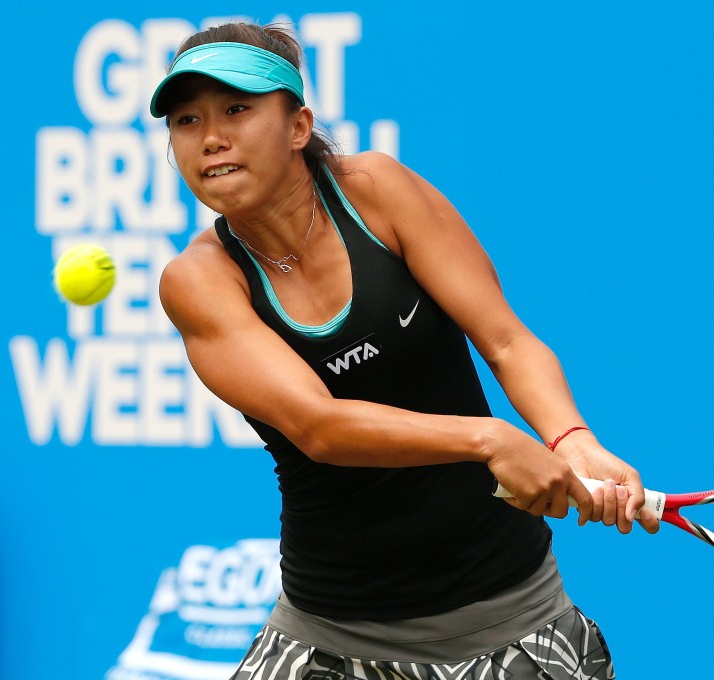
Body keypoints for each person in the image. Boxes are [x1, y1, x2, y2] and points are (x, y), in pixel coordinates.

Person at [152, 21, 657, 680]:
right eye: (187, 121)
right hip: (328, 641)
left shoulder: (378, 193)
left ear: (298, 124)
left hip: (512, 624)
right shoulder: (199, 281)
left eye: (238, 110)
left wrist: (571, 439)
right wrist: (492, 440)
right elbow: (319, 426)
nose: (211, 137)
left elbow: (505, 338)